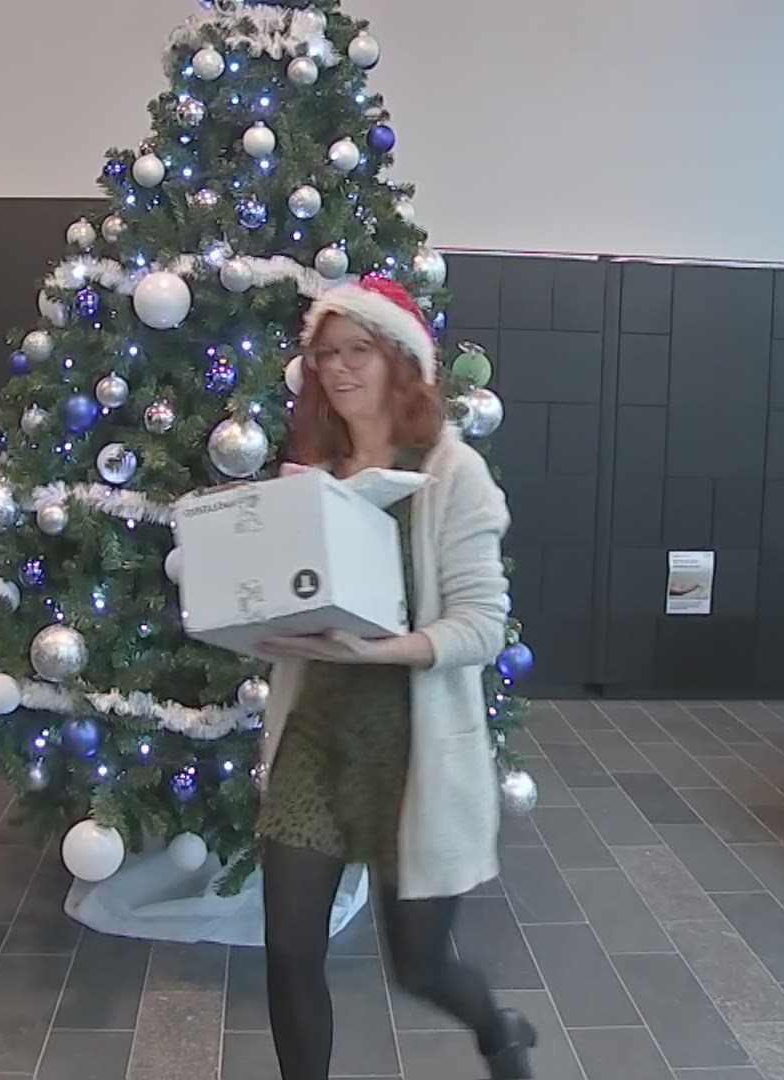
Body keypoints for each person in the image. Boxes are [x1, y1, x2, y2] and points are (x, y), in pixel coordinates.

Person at [254, 275, 536, 1080]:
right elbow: (292, 602)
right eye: (326, 354)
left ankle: (499, 1028)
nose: (340, 368)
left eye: (359, 351)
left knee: (419, 964)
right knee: (288, 952)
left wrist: (379, 652)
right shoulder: (316, 474)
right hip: (315, 737)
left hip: (413, 752)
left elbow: (481, 626)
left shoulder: (453, 473)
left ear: (399, 362)